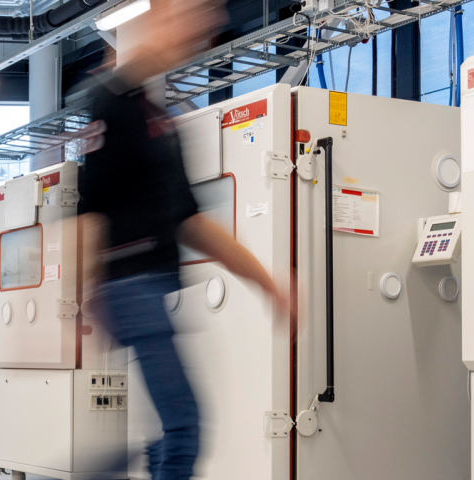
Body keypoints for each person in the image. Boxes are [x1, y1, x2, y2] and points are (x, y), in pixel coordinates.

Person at [77, 0, 288, 478]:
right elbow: (87, 210)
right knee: (184, 426)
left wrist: (265, 282)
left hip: (152, 289)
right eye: (196, 12)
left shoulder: (162, 119)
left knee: (166, 432)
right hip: (130, 290)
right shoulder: (112, 97)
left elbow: (190, 221)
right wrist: (84, 297)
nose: (209, 24)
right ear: (162, 16)